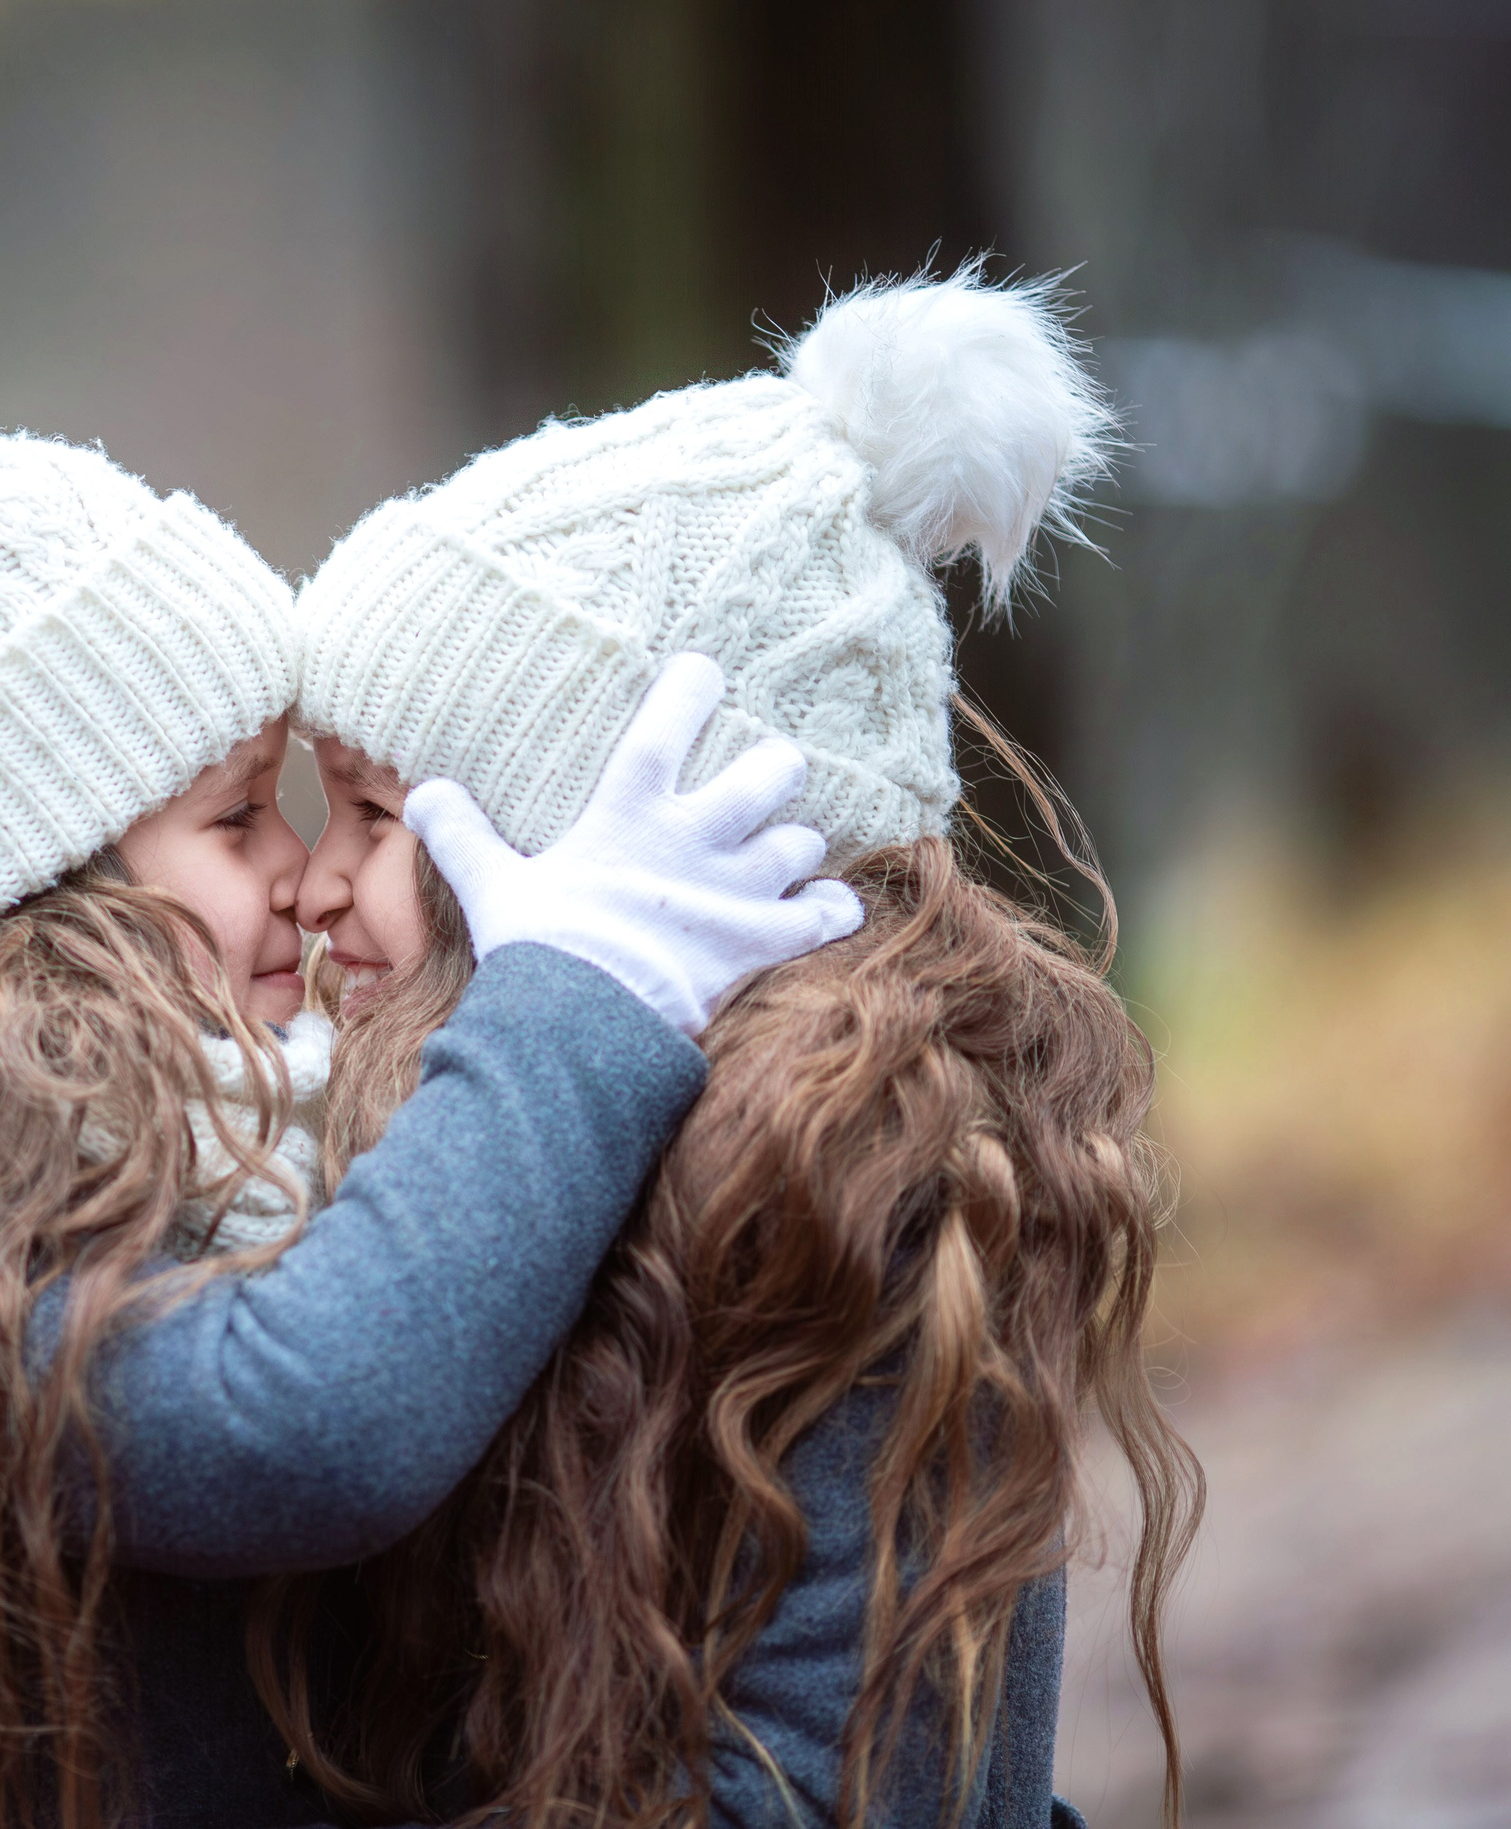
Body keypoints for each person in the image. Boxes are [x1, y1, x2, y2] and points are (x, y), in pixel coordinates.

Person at [0, 183, 861, 1829]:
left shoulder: (103, 1157)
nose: (297, 865)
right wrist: (583, 994)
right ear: (15, 890)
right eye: (233, 818)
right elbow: (315, 1422)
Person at [275, 268, 1203, 1827]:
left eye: (373, 814)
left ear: (601, 849)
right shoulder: (547, 1169)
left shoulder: (852, 1211)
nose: (307, 885)